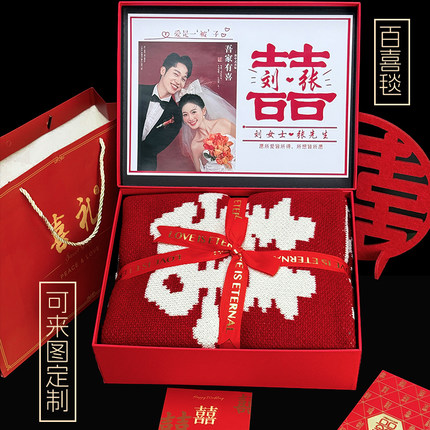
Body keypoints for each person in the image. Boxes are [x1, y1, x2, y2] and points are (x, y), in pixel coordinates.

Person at [137, 53, 193, 171]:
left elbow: (152, 149)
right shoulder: (136, 91)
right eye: (176, 74)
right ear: (163, 70)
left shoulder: (177, 117)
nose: (178, 81)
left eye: (183, 79)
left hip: (145, 167)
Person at [178, 89, 236, 172]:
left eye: (193, 112)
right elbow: (199, 174)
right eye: (185, 114)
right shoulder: (195, 145)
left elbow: (245, 143)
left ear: (203, 111)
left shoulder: (222, 123)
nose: (190, 118)